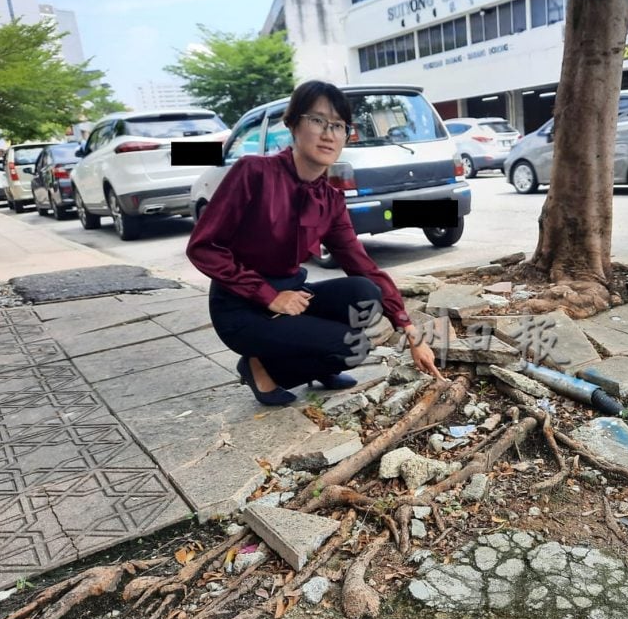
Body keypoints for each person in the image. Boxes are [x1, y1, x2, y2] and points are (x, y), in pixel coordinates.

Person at [186, 80, 443, 406]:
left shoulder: (330, 199)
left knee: (366, 294)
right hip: (240, 306)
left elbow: (363, 266)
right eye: (317, 120)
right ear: (293, 124)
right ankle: (259, 368)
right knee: (353, 347)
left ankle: (320, 364)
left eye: (338, 125)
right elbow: (203, 247)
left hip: (293, 297)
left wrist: (410, 330)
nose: (328, 133)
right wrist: (269, 296)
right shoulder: (253, 173)